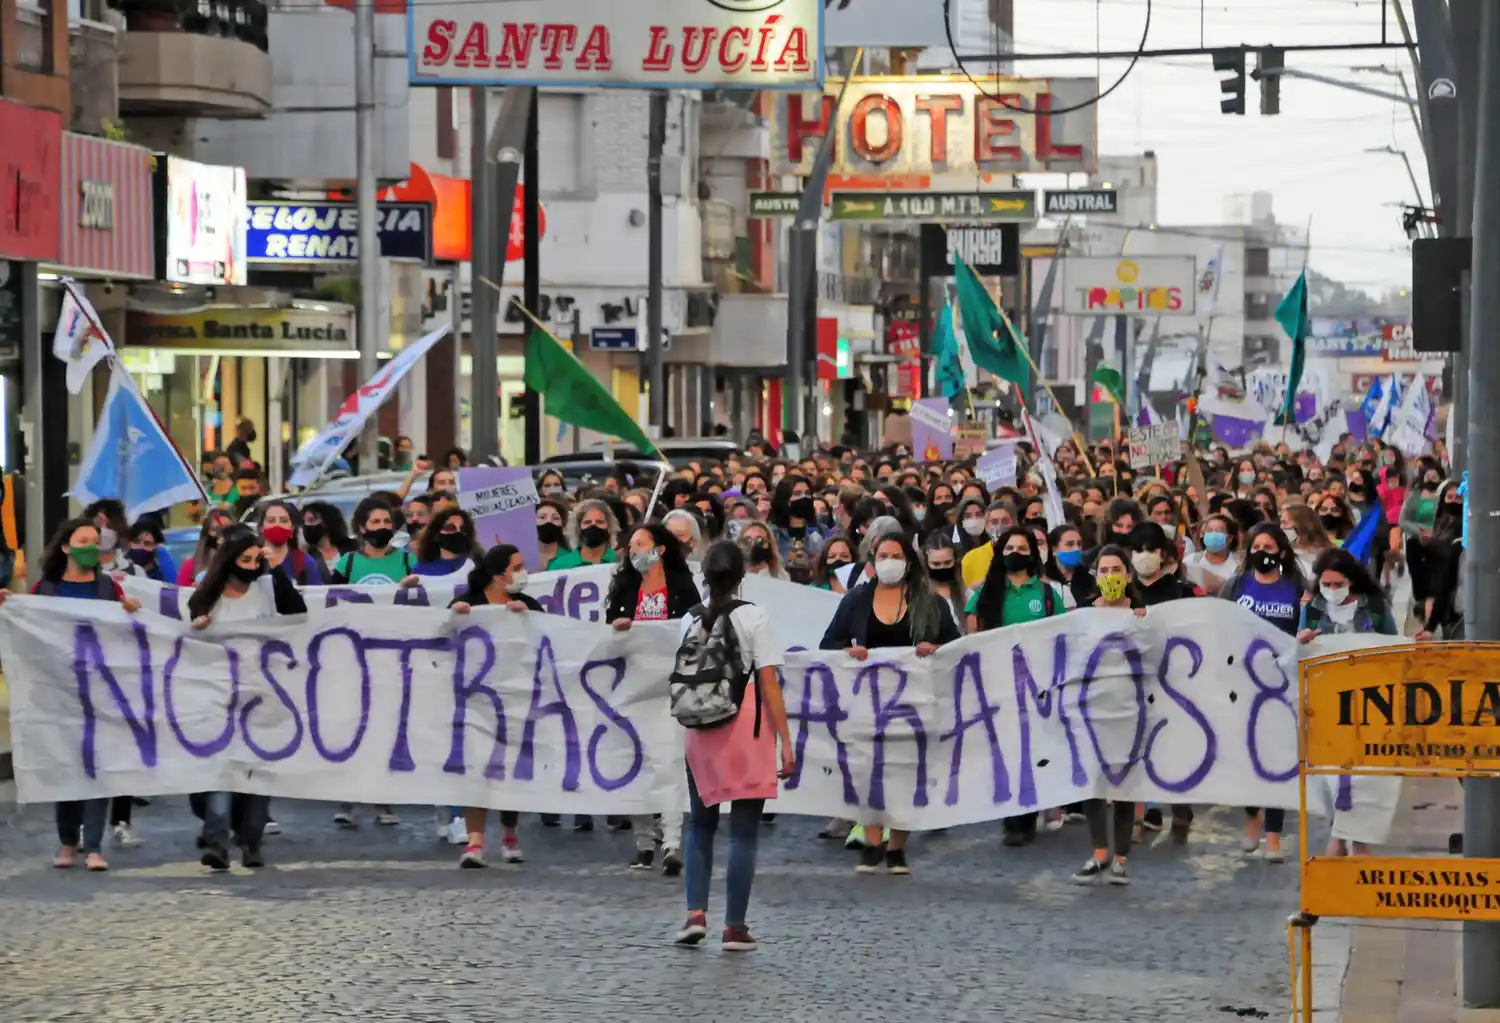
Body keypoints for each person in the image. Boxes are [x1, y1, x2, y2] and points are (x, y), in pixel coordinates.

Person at [673, 540, 795, 951]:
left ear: (703, 576)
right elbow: (769, 683)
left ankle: (694, 914)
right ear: (741, 576)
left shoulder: (688, 620)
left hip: (698, 730)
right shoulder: (754, 617)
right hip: (746, 729)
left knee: (699, 823)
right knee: (743, 833)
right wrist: (786, 743)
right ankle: (734, 927)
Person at [3, 517, 142, 871]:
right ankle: (68, 842)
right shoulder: (46, 590)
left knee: (99, 770)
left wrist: (131, 611)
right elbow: (29, 633)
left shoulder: (109, 588)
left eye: (96, 542)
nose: (91, 548)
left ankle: (93, 846)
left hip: (102, 694)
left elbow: (127, 633)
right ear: (65, 547)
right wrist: (11, 605)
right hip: (59, 696)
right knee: (67, 769)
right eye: (83, 541)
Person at [819, 529, 959, 874]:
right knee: (867, 773)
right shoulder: (855, 600)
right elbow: (827, 645)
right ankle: (872, 842)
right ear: (872, 562)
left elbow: (957, 647)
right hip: (865, 705)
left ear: (909, 562)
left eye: (896, 556)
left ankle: (897, 848)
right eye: (882, 557)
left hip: (912, 707)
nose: (889, 563)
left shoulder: (931, 602)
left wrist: (935, 650)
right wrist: (848, 652)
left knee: (906, 775)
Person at [186, 524, 307, 869]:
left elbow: (296, 612)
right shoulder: (208, 595)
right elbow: (191, 632)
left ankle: (250, 840)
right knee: (221, 770)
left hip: (262, 696)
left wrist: (278, 570)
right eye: (246, 559)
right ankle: (218, 842)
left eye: (257, 559)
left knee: (255, 773)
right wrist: (198, 626)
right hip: (218, 697)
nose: (252, 566)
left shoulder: (267, 588)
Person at [607, 523, 699, 874]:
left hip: (669, 690)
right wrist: (619, 626)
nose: (633, 551)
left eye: (640, 544)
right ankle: (644, 843)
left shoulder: (680, 584)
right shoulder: (626, 587)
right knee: (637, 765)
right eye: (630, 546)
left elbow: (696, 625)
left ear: (659, 549)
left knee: (669, 762)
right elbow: (608, 628)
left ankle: (672, 842)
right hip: (633, 689)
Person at [965, 526, 1065, 846]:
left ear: (1033, 554)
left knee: (1032, 749)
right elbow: (972, 636)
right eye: (1009, 548)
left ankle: (1028, 815)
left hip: (1037, 687)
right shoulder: (986, 592)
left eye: (1022, 548)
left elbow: (1062, 634)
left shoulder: (1047, 594)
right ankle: (1012, 817)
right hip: (999, 684)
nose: (1015, 554)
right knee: (1007, 750)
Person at [449, 544, 543, 867]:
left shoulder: (529, 604)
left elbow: (549, 641)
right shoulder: (469, 603)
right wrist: (454, 618)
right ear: (497, 573)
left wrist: (527, 619)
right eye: (517, 566)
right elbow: (440, 637)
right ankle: (475, 841)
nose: (522, 572)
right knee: (474, 768)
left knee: (507, 768)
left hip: (516, 699)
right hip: (474, 701)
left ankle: (508, 832)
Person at [1219, 521, 1305, 862]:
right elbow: (1220, 624)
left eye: (1268, 549)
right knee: (1247, 757)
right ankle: (1251, 816)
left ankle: (1273, 837)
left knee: (1278, 758)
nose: (1262, 555)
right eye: (1256, 548)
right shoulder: (1236, 585)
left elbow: (1308, 626)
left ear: (1281, 552)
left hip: (1283, 685)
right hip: (1243, 683)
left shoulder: (1296, 586)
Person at [1071, 545, 1147, 887]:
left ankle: (1120, 858)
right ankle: (1100, 851)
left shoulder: (1142, 615)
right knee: (1093, 783)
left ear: (1128, 575)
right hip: (1093, 712)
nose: (1110, 576)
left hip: (1130, 711)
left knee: (1126, 785)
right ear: (1096, 576)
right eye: (1103, 570)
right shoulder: (1083, 616)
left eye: (1116, 569)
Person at [332, 497, 414, 585]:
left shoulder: (408, 561)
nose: (383, 526)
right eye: (375, 522)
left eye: (387, 521)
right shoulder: (347, 563)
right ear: (362, 528)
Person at [404, 506, 481, 580]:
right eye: (451, 528)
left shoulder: (478, 564)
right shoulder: (421, 571)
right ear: (435, 534)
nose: (458, 532)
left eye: (463, 529)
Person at [257, 500, 324, 585]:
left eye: (284, 521)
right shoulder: (251, 561)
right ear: (261, 527)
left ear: (292, 529)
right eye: (271, 520)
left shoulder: (305, 563)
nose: (277, 525)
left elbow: (314, 596)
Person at [549, 499, 620, 570]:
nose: (593, 526)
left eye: (600, 522)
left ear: (609, 526)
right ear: (578, 528)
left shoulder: (621, 561)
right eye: (587, 522)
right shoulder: (560, 565)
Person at [1183, 513, 1240, 594]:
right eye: (1209, 530)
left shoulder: (1239, 565)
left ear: (1229, 538)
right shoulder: (1190, 561)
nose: (1213, 535)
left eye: (1219, 531)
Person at [922, 533, 967, 632]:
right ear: (926, 562)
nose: (942, 567)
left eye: (947, 563)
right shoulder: (919, 593)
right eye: (936, 564)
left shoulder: (966, 591)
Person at [177, 507, 234, 585]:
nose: (221, 534)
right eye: (216, 529)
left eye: (227, 530)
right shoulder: (189, 567)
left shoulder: (243, 565)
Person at [301, 501, 357, 574]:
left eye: (312, 520)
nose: (306, 525)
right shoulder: (306, 556)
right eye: (303, 522)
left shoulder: (352, 548)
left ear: (327, 522)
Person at [119, 518, 168, 582]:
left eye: (147, 543)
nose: (141, 547)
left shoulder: (163, 576)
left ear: (156, 546)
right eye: (136, 541)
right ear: (129, 543)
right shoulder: (120, 572)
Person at [536, 498, 571, 568]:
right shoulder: (520, 560)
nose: (549, 521)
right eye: (542, 517)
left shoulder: (570, 560)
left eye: (555, 518)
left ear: (563, 525)